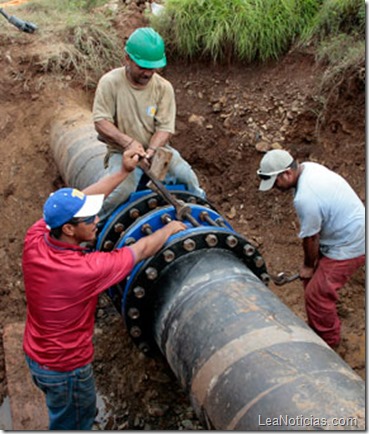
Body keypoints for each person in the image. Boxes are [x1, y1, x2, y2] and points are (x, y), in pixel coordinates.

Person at [22, 148, 187, 430]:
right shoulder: (84, 271)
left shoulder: (37, 236)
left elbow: (87, 195)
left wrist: (122, 172)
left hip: (37, 354)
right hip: (67, 370)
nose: (97, 220)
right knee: (74, 423)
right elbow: (141, 248)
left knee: (63, 413)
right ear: (70, 230)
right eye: (90, 220)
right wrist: (169, 230)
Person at [92, 26, 205, 221]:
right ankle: (94, 226)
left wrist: (151, 151)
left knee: (186, 176)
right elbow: (101, 121)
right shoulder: (110, 83)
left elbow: (165, 128)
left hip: (156, 150)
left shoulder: (163, 88)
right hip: (121, 152)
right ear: (127, 59)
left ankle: (204, 210)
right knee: (121, 191)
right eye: (142, 67)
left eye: (152, 68)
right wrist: (128, 143)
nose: (147, 73)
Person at [257, 149, 365, 348]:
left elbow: (311, 238)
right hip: (342, 231)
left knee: (317, 294)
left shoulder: (305, 197)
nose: (274, 188)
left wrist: (308, 265)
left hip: (350, 242)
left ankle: (329, 344)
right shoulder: (309, 168)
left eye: (275, 183)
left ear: (287, 174)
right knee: (311, 284)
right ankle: (320, 321)